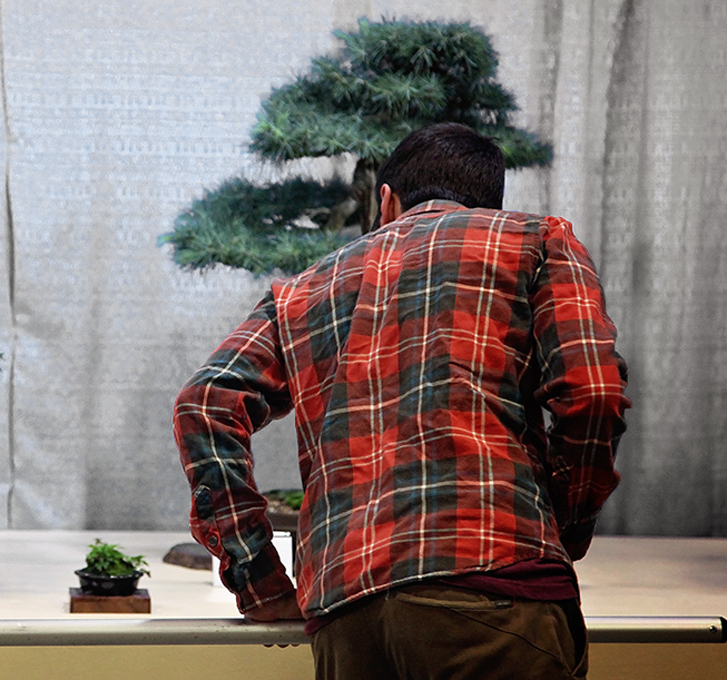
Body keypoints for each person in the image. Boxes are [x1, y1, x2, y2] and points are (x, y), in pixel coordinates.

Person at [173, 122, 629, 679]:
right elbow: (594, 392)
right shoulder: (535, 241)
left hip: (348, 618)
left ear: (385, 200)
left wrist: (258, 577)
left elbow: (204, 402)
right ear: (489, 203)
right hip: (492, 587)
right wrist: (567, 523)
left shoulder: (302, 290)